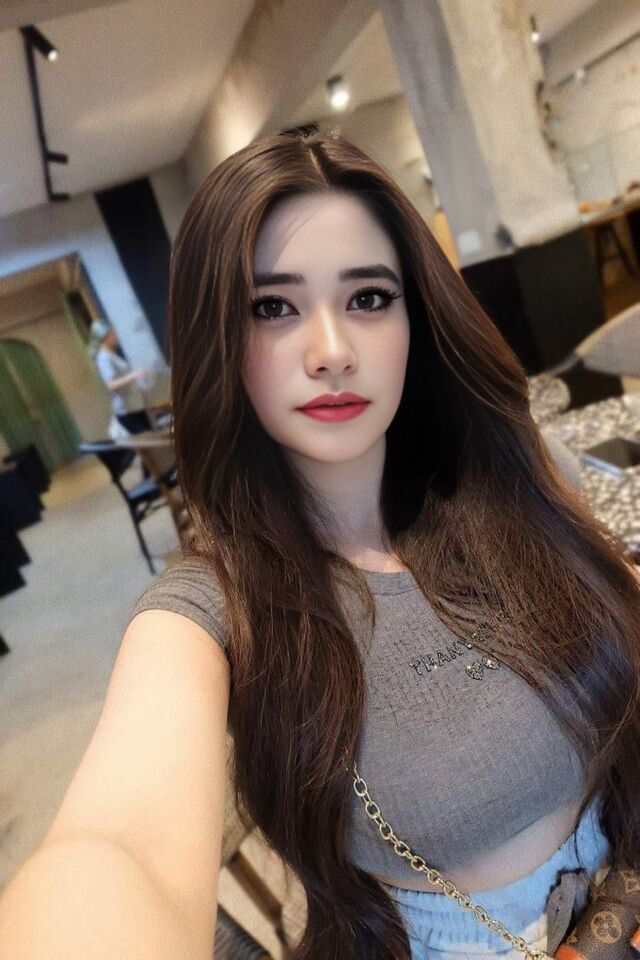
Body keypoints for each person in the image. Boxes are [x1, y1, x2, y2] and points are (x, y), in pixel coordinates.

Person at [1, 130, 639, 960]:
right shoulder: (212, 612)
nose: (332, 352)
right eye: (273, 308)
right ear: (217, 341)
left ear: (415, 316)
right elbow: (119, 849)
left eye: (369, 297)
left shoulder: (519, 480)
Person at [91, 320, 153, 435]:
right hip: (126, 411)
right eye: (113, 334)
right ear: (105, 337)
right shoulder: (103, 357)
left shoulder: (111, 354)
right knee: (149, 440)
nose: (116, 336)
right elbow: (111, 385)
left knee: (152, 436)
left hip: (134, 406)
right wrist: (134, 375)